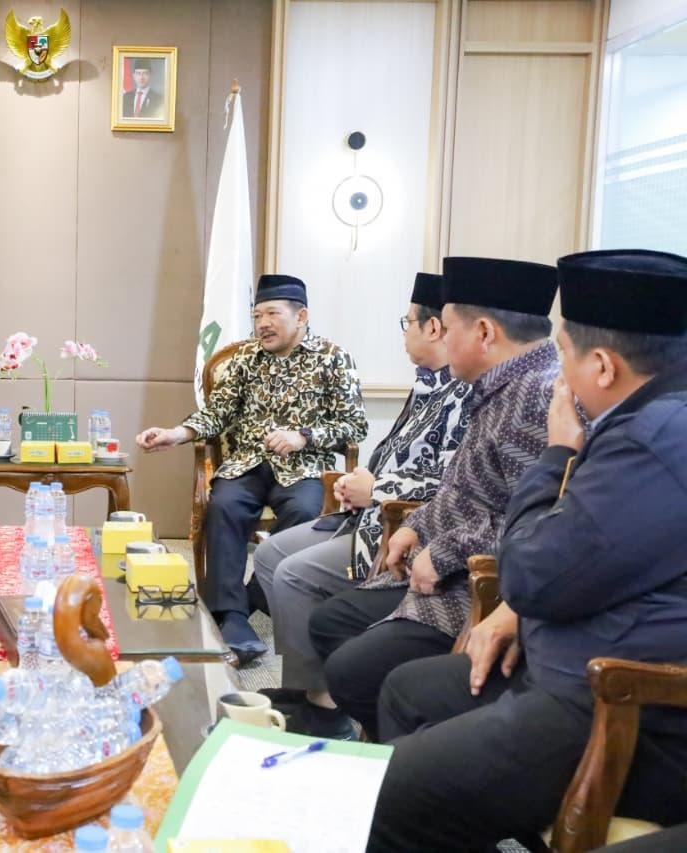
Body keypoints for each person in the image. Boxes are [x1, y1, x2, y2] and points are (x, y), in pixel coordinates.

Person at [369, 249, 687, 851]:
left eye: (563, 354)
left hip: (620, 706)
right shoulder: (654, 418)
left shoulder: (651, 440)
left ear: (600, 366)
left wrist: (556, 454)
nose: (557, 375)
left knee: (384, 791)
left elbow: (532, 572)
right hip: (567, 664)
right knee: (407, 695)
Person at [308, 256, 559, 739]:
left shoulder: (536, 398)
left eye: (447, 328)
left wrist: (442, 552)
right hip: (440, 565)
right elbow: (461, 488)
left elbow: (534, 526)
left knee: (354, 671)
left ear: (483, 333)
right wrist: (416, 525)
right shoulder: (497, 386)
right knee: (332, 623)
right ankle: (385, 748)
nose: (442, 340)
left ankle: (402, 763)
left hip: (473, 587)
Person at [251, 272, 472, 738]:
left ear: (432, 328)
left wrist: (377, 489)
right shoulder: (427, 383)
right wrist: (359, 485)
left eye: (407, 322)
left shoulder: (464, 392)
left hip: (400, 525)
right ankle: (301, 687)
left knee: (294, 574)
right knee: (270, 554)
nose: (405, 332)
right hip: (365, 511)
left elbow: (451, 483)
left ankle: (325, 708)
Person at [136, 274, 367, 664]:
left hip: (303, 467)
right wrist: (177, 433)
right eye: (257, 315)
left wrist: (303, 436)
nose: (262, 324)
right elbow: (218, 411)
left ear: (302, 316)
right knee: (223, 504)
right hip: (247, 462)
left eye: (272, 314)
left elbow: (354, 424)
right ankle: (232, 618)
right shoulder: (245, 358)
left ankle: (247, 599)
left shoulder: (332, 357)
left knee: (306, 513)